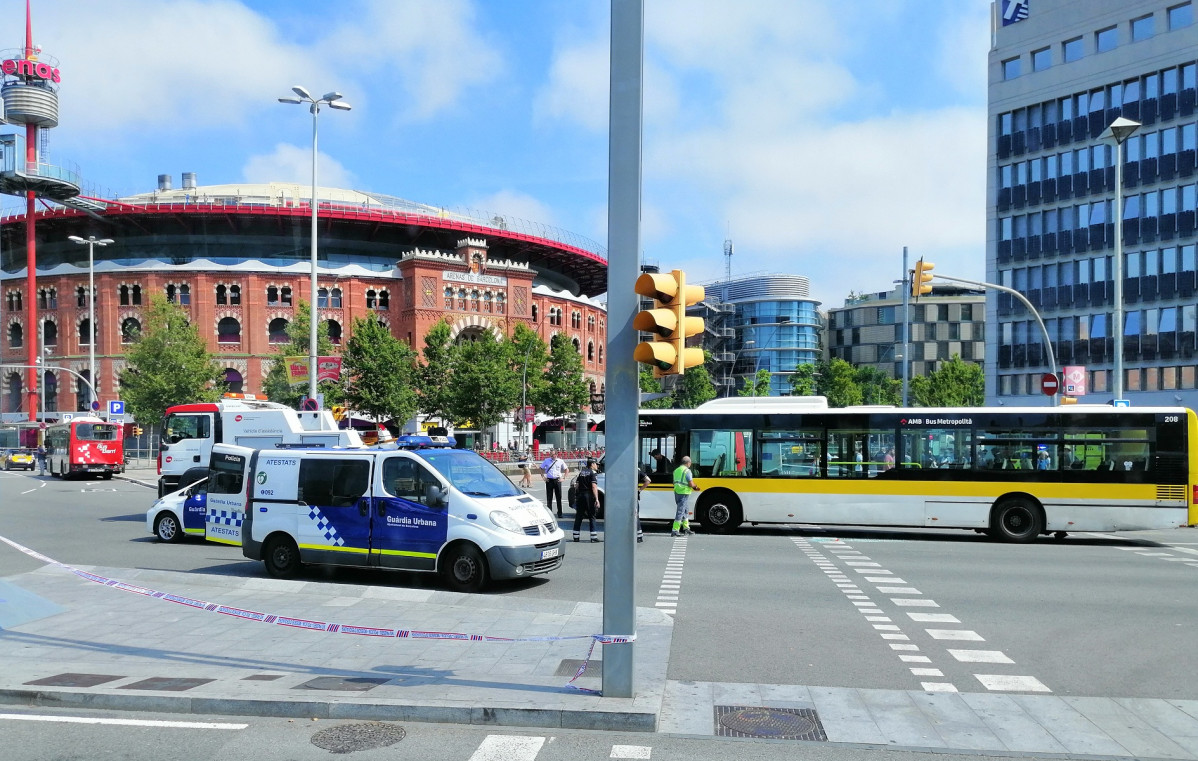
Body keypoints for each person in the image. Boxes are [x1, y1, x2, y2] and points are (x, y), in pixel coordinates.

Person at [573, 457, 600, 543]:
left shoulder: (582, 472)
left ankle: (576, 536)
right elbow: (594, 486)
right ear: (592, 464)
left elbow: (576, 485)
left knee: (579, 516)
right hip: (588, 496)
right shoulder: (593, 473)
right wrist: (596, 499)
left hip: (580, 495)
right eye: (596, 464)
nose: (597, 466)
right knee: (592, 515)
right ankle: (593, 537)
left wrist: (577, 495)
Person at [671, 455, 699, 537]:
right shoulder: (687, 471)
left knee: (685, 510)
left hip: (677, 492)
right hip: (684, 492)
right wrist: (695, 487)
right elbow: (690, 483)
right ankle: (675, 530)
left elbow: (674, 482)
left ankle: (686, 528)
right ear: (688, 463)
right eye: (690, 463)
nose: (690, 464)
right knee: (680, 511)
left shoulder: (676, 470)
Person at [542, 453, 568, 517]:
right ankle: (550, 513)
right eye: (552, 455)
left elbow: (566, 469)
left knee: (559, 497)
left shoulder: (560, 461)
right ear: (550, 455)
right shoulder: (546, 460)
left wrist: (564, 478)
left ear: (556, 455)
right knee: (549, 497)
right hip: (549, 480)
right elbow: (541, 468)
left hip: (557, 480)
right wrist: (543, 476)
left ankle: (560, 513)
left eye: (554, 454)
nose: (553, 456)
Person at [636, 466, 651, 543]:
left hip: (627, 496)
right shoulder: (638, 471)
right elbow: (648, 480)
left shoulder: (627, 471)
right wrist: (639, 490)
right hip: (634, 496)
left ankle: (637, 535)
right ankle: (639, 535)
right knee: (636, 515)